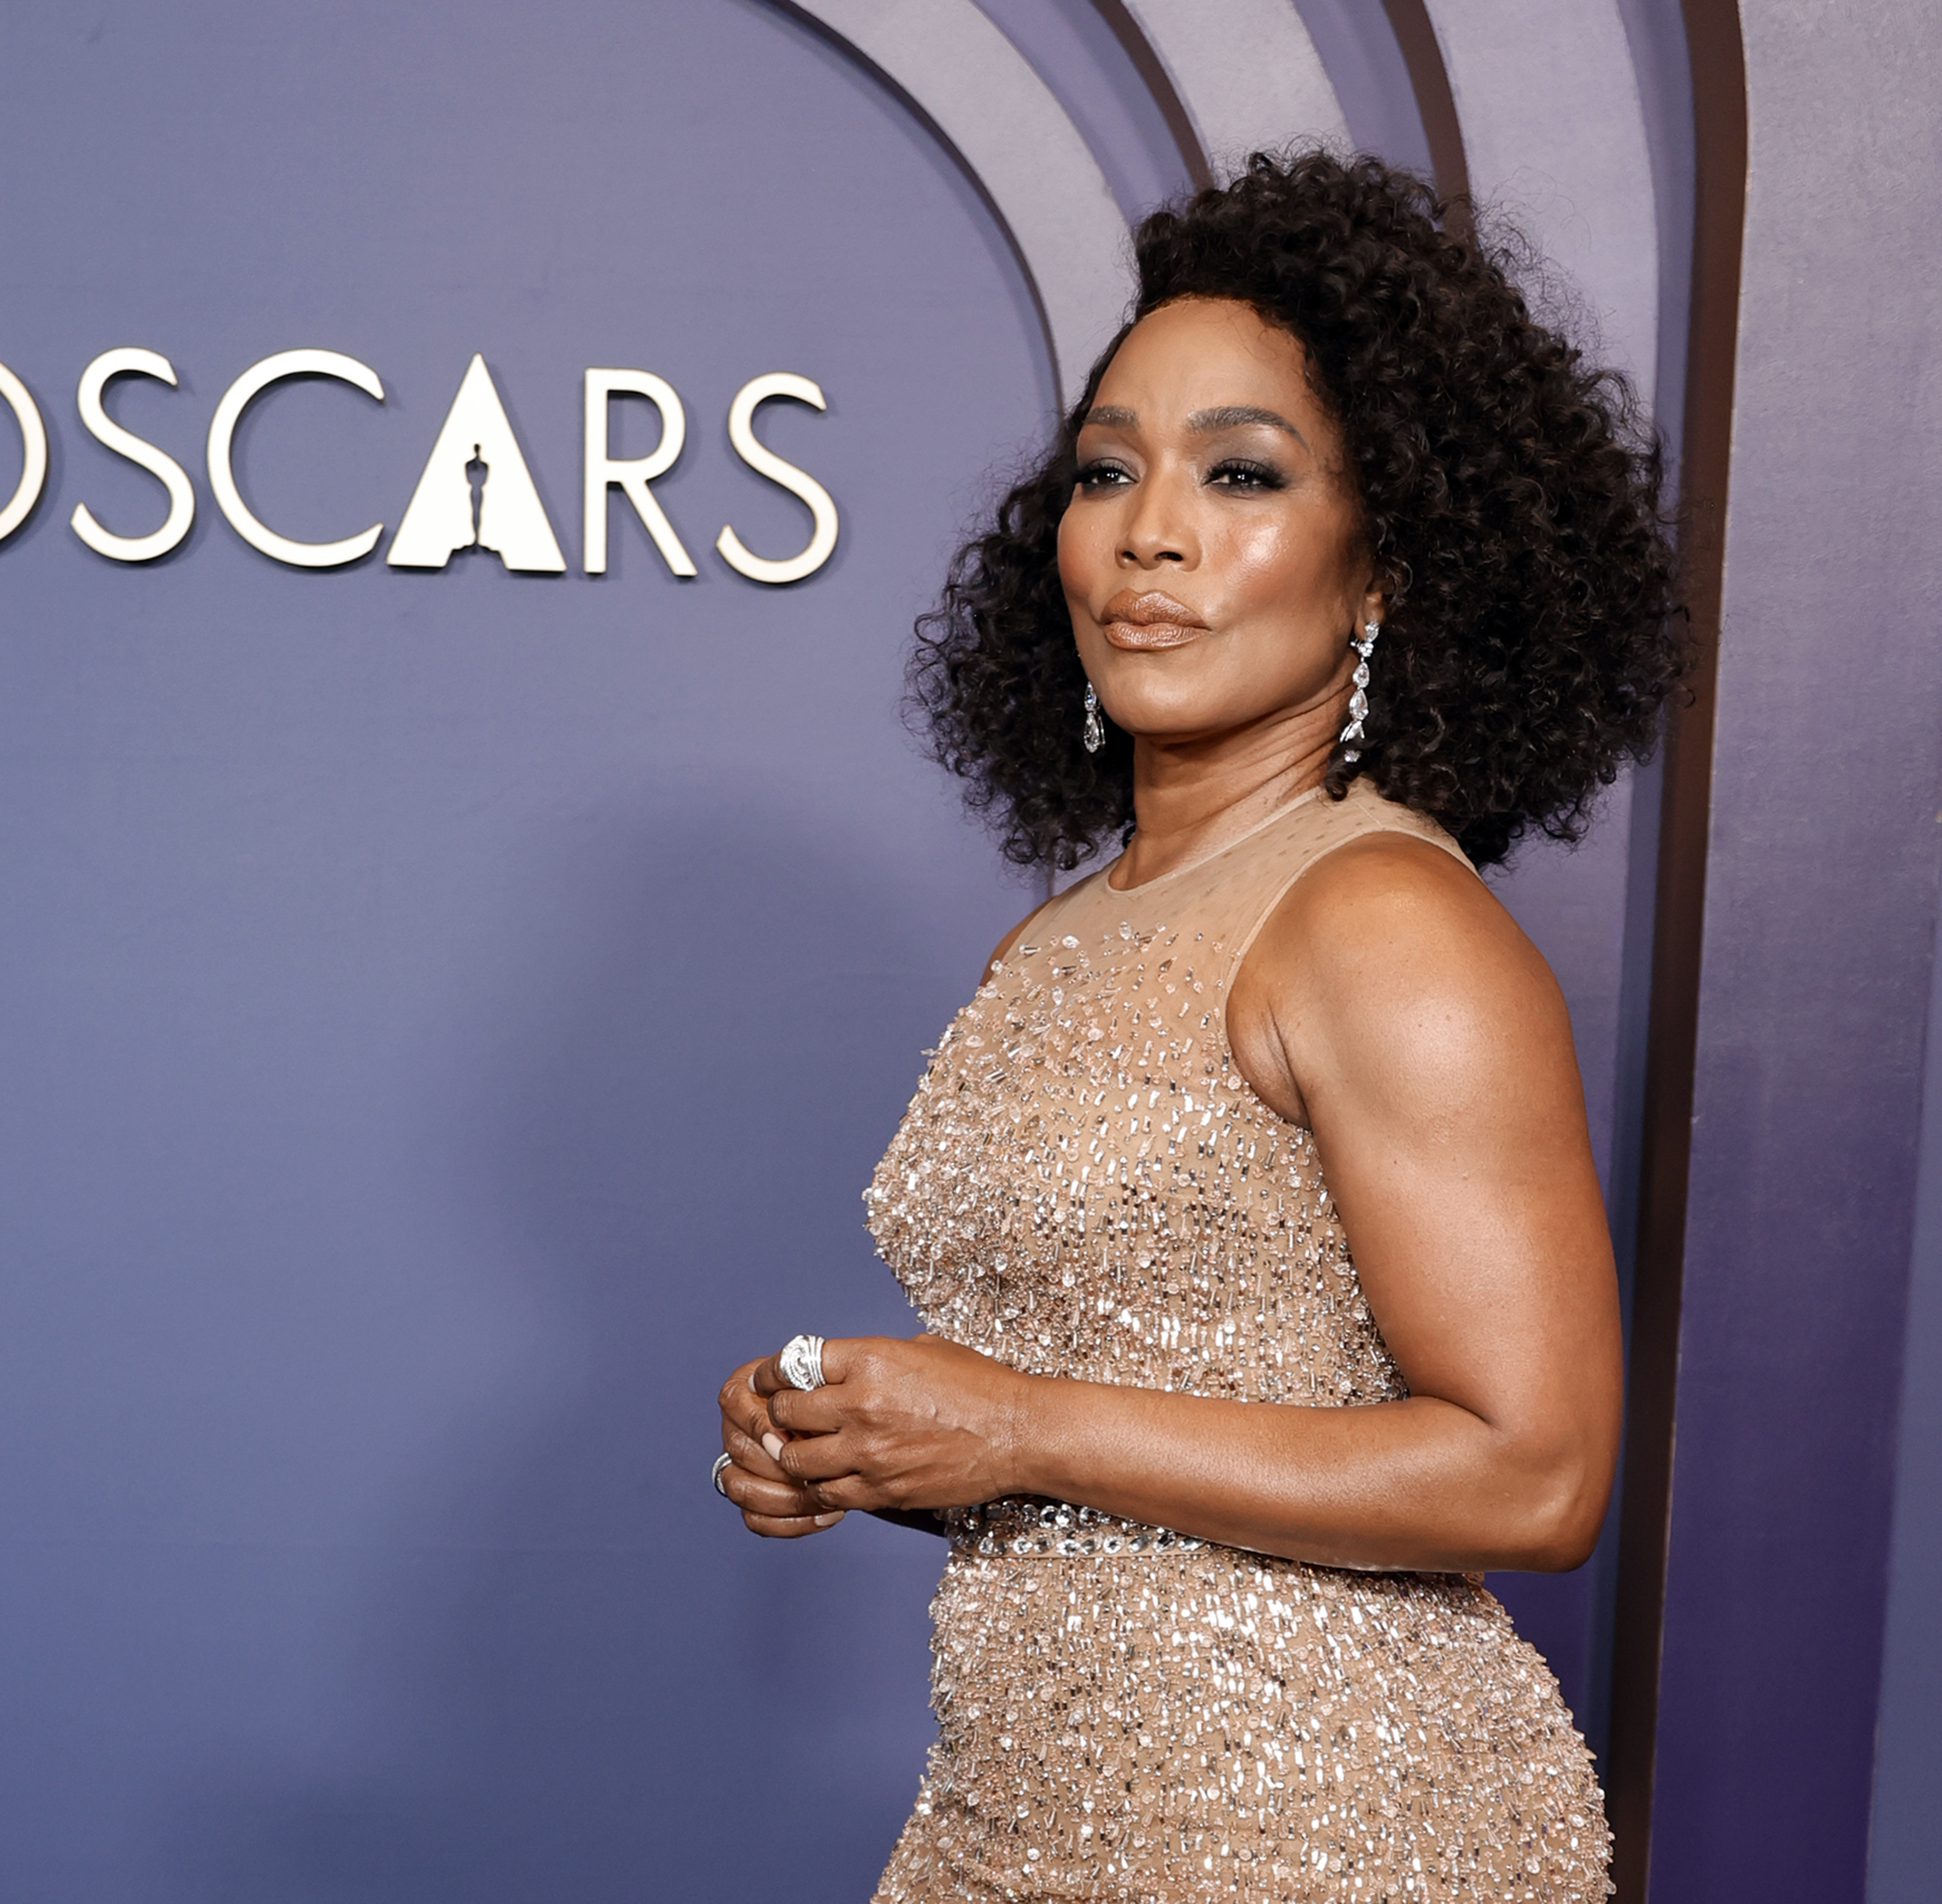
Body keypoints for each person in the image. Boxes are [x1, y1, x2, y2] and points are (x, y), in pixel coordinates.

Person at [712, 152, 1682, 1902]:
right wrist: (882, 1444)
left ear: (1384, 567)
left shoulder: (1384, 919)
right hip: (1030, 1814)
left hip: (1325, 1826)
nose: (1149, 529)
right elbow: (1146, 1438)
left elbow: (1535, 1474)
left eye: (1243, 473)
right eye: (1107, 470)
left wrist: (1021, 1426)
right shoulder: (1061, 935)